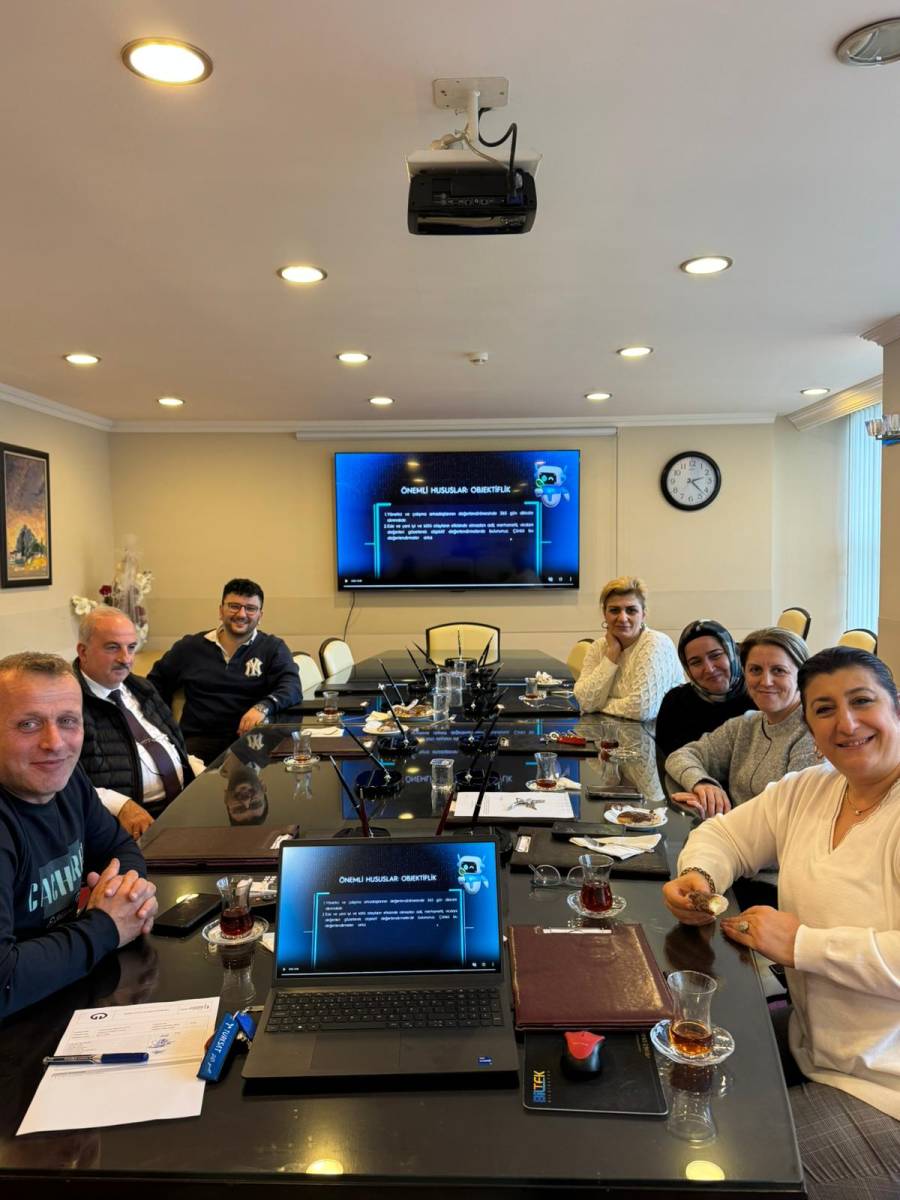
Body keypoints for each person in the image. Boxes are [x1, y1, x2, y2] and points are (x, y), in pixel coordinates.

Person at [662, 646, 900, 1198]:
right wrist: (700, 876)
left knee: (728, 1171)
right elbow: (725, 834)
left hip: (883, 1088)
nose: (846, 723)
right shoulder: (813, 787)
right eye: (824, 709)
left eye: (862, 701)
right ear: (809, 725)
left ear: (895, 707)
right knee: (670, 1071)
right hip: (815, 1044)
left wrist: (804, 945)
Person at [0, 652, 158, 1018]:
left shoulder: (67, 781)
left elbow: (119, 847)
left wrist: (127, 898)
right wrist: (107, 926)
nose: (55, 743)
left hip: (65, 991)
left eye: (68, 721)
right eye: (28, 724)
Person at [75, 607, 202, 838]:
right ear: (83, 652)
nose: (126, 659)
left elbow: (170, 743)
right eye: (113, 647)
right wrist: (120, 805)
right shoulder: (69, 703)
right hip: (125, 824)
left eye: (131, 647)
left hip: (182, 806)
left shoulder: (141, 688)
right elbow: (62, 781)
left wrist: (206, 774)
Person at [665, 626, 816, 817]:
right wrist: (703, 785)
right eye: (755, 670)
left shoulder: (813, 735)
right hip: (729, 828)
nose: (765, 681)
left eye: (779, 670)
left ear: (802, 676)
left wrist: (720, 817)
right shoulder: (746, 724)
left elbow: (786, 815)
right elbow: (680, 756)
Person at [148, 577, 301, 761]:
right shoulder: (190, 647)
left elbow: (292, 687)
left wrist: (263, 707)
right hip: (198, 743)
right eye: (234, 606)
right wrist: (164, 728)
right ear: (221, 611)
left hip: (253, 740)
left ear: (260, 615)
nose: (242, 614)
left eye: (250, 608)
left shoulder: (273, 648)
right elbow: (153, 686)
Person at [573, 576, 683, 720]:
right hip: (615, 730)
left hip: (660, 732)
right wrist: (611, 655)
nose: (622, 618)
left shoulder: (656, 643)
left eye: (631, 610)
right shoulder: (598, 647)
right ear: (604, 614)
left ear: (643, 614)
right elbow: (583, 702)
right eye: (614, 610)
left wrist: (600, 704)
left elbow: (642, 710)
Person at [655, 619, 753, 761]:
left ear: (731, 653)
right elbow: (670, 762)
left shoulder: (758, 697)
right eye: (696, 662)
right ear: (687, 668)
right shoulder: (675, 703)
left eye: (715, 655)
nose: (709, 669)